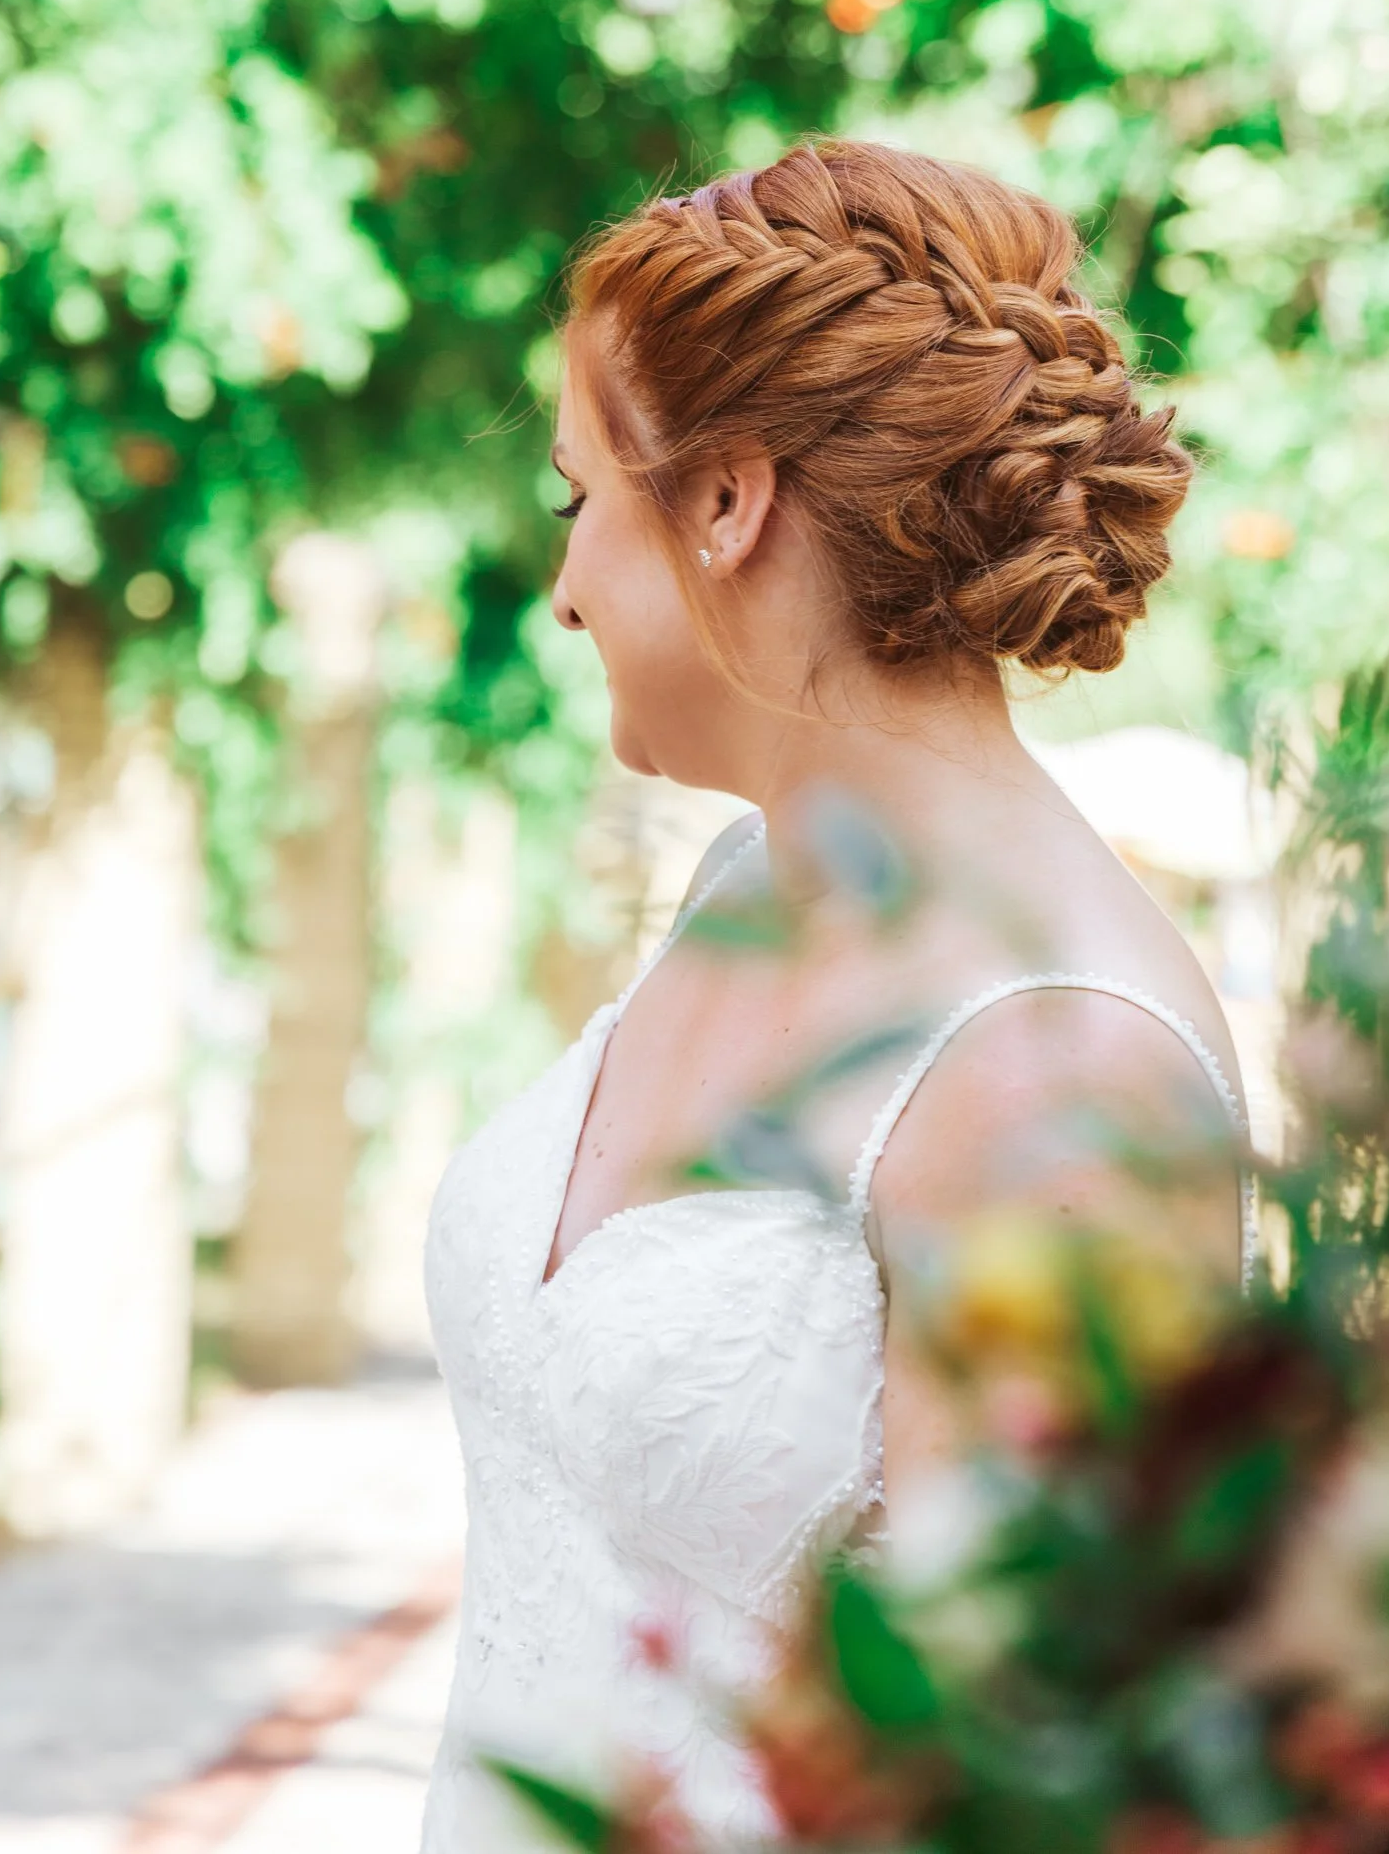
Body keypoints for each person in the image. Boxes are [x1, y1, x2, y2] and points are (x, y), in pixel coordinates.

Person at [420, 140, 1252, 1851]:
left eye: (580, 500)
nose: (562, 591)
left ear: (727, 500)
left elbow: (1044, 1783)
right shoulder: (743, 886)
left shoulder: (1057, 1065)